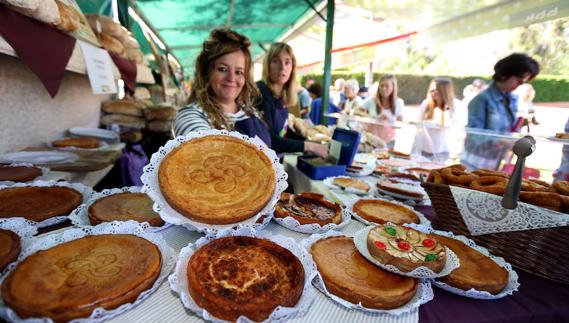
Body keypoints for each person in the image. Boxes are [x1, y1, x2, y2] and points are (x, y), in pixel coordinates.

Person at [172, 29, 271, 146]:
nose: (231, 78)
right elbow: (208, 154)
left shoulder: (250, 112)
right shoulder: (190, 115)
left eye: (239, 72)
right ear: (207, 72)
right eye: (223, 69)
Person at [462, 53, 540, 170]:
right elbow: (474, 136)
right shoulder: (481, 100)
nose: (520, 85)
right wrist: (503, 141)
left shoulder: (512, 99)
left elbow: (509, 130)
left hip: (497, 162)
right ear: (505, 74)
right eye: (519, 81)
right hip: (475, 162)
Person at [255, 42, 328, 158]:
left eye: (287, 62)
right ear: (267, 65)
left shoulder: (281, 94)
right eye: (276, 61)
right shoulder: (260, 93)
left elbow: (283, 132)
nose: (282, 67)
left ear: (292, 67)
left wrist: (311, 143)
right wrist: (309, 146)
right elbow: (269, 140)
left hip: (275, 160)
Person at [412, 78, 461, 161]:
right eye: (432, 90)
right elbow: (419, 124)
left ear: (444, 91)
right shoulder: (426, 103)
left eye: (436, 90)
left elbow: (457, 125)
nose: (433, 92)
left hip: (443, 149)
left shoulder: (455, 104)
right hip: (425, 148)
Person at [361, 74, 404, 148]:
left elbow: (400, 125)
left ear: (393, 87)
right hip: (371, 141)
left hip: (389, 142)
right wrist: (372, 117)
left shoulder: (398, 102)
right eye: (382, 85)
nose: (384, 88)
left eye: (387, 86)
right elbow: (356, 111)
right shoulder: (371, 100)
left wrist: (389, 120)